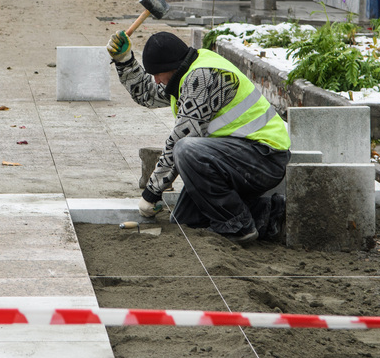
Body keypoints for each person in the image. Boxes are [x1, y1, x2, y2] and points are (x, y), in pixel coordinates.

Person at [106, 30, 291, 244]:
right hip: (238, 157)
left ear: (172, 67)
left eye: (158, 74)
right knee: (185, 220)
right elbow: (147, 94)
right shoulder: (184, 72)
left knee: (185, 150)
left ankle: (238, 227)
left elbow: (180, 138)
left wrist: (151, 193)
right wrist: (124, 61)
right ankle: (272, 213)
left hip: (265, 157)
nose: (156, 80)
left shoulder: (202, 77)